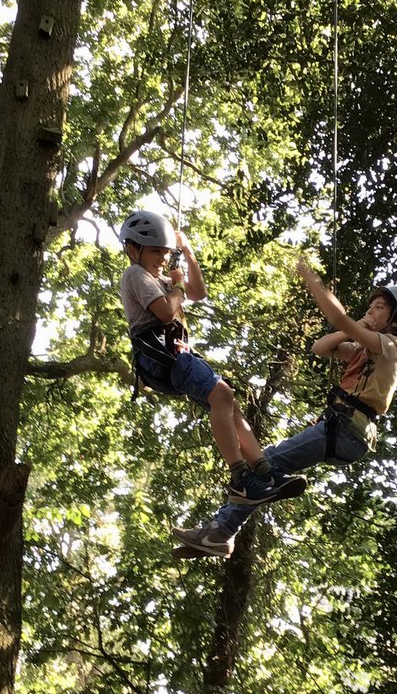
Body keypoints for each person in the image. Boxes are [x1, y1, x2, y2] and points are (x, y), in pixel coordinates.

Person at [172, 253, 397, 557]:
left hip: (348, 429)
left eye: (379, 308)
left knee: (266, 462)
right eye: (370, 306)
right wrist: (354, 327)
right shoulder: (362, 348)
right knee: (264, 464)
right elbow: (321, 348)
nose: (370, 311)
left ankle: (222, 532)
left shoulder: (392, 347)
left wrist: (312, 281)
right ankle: (221, 532)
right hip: (341, 427)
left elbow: (339, 318)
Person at [118, 209, 304, 506]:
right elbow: (166, 313)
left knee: (230, 405)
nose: (162, 259)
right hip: (163, 357)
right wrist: (177, 284)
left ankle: (266, 473)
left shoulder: (159, 278)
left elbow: (199, 292)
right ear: (132, 250)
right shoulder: (136, 274)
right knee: (221, 395)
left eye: (166, 253)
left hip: (175, 356)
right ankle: (241, 478)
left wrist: (188, 253)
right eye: (156, 251)